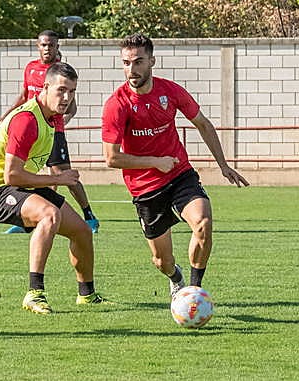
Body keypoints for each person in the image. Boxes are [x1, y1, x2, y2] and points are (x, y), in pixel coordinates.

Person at [101, 33, 249, 299]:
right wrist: (155, 163)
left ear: (152, 61)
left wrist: (223, 165)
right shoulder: (117, 104)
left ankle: (193, 291)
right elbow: (112, 158)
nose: (131, 70)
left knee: (203, 222)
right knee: (162, 261)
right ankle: (176, 276)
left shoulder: (170, 91)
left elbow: (203, 123)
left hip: (180, 175)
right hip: (145, 188)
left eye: (138, 62)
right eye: (126, 63)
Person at [0, 62, 111, 314]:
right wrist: (58, 180)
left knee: (81, 231)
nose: (67, 97)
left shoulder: (53, 118)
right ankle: (34, 293)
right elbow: (12, 174)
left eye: (72, 91)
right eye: (61, 90)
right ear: (45, 87)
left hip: (14, 187)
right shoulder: (26, 119)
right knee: (49, 215)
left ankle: (87, 295)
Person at [0, 30, 99, 234]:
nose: (47, 48)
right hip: (31, 129)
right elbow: (25, 97)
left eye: (51, 45)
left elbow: (71, 107)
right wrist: (7, 115)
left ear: (57, 46)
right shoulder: (31, 69)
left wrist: (58, 124)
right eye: (44, 45)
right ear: (37, 46)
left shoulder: (60, 72)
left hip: (52, 131)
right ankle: (25, 219)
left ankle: (89, 216)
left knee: (62, 174)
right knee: (25, 172)